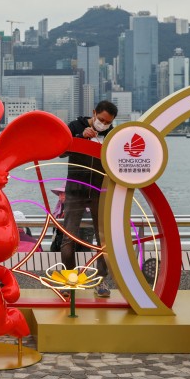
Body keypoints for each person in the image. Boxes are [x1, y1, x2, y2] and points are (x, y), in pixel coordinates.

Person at [60, 100, 118, 297]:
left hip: (100, 192)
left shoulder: (112, 135)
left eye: (107, 122)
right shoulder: (75, 126)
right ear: (93, 113)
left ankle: (100, 281)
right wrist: (79, 137)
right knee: (69, 238)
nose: (103, 124)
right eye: (101, 119)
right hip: (75, 190)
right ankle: (69, 281)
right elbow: (60, 151)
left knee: (103, 239)